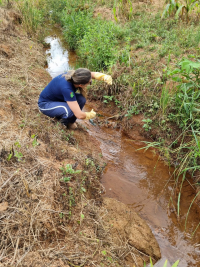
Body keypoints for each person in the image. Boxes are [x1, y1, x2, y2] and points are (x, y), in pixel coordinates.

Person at [38, 68, 112, 129]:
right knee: (69, 111)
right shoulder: (67, 89)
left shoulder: (74, 75)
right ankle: (62, 125)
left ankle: (70, 122)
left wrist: (104, 77)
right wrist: (89, 115)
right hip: (46, 104)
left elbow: (90, 75)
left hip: (58, 99)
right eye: (89, 82)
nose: (90, 82)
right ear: (80, 85)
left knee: (81, 100)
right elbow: (79, 115)